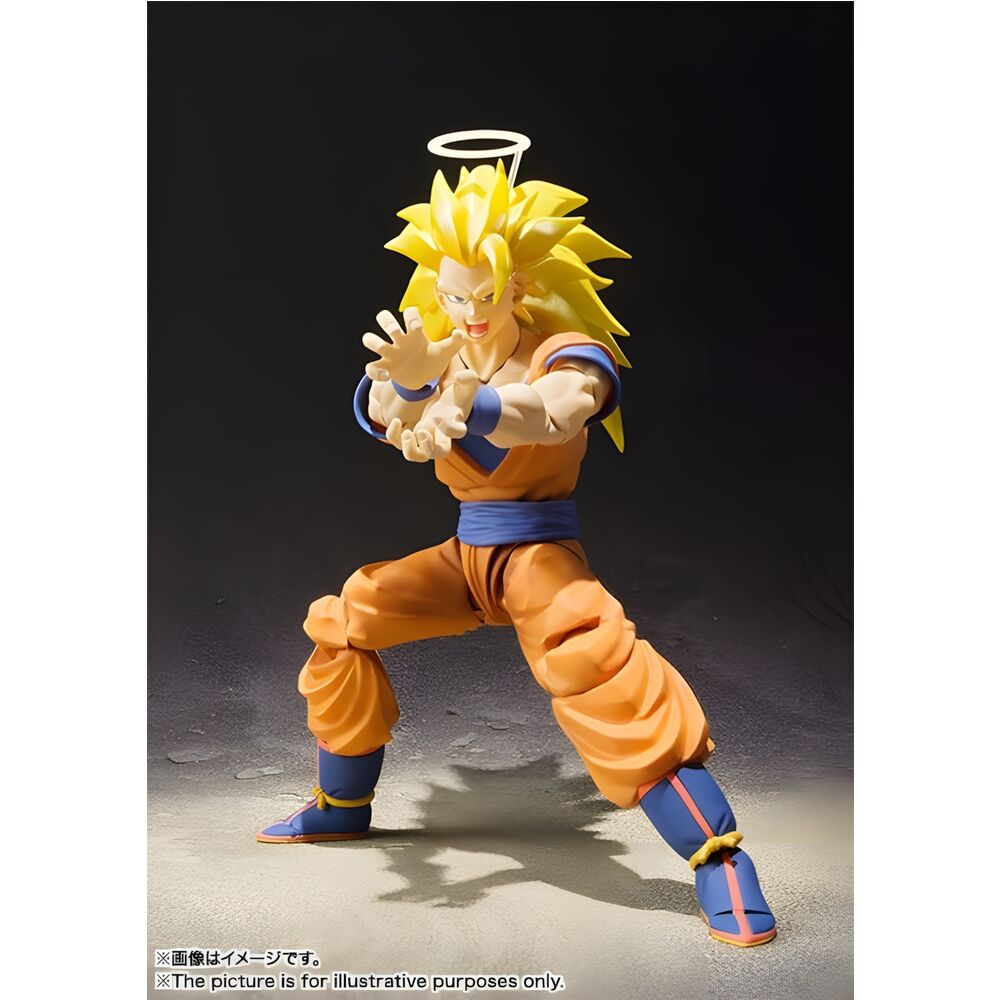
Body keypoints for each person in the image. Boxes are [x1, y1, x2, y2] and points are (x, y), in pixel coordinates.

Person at [256, 158, 776, 947]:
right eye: (453, 295)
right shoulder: (438, 346)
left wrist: (472, 400)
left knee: (602, 672)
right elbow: (386, 405)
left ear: (518, 286)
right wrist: (413, 387)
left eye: (484, 295)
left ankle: (720, 859)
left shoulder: (565, 350)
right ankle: (341, 805)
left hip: (539, 557)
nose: (468, 313)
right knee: (345, 618)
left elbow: (557, 412)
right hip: (466, 557)